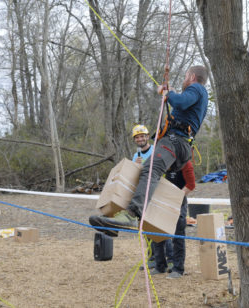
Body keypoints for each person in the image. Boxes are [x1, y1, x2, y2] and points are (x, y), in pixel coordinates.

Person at [89, 65, 208, 232]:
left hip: (175, 142)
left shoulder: (196, 88)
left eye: (186, 75)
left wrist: (169, 93)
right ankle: (116, 223)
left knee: (150, 171)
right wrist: (171, 93)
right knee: (148, 173)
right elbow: (183, 103)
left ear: (192, 76)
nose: (184, 79)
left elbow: (181, 102)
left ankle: (131, 214)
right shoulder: (200, 94)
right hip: (179, 144)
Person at [131, 124, 173, 269]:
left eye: (142, 136)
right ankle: (152, 258)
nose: (140, 139)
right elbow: (134, 177)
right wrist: (135, 166)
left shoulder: (156, 151)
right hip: (144, 196)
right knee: (146, 228)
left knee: (161, 226)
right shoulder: (136, 156)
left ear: (147, 137)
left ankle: (170, 257)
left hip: (158, 192)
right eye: (137, 137)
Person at [151, 160, 195, 279]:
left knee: (178, 235)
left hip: (178, 202)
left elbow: (191, 185)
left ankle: (178, 269)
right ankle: (160, 265)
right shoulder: (162, 160)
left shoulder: (185, 162)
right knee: (157, 232)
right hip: (162, 201)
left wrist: (175, 197)